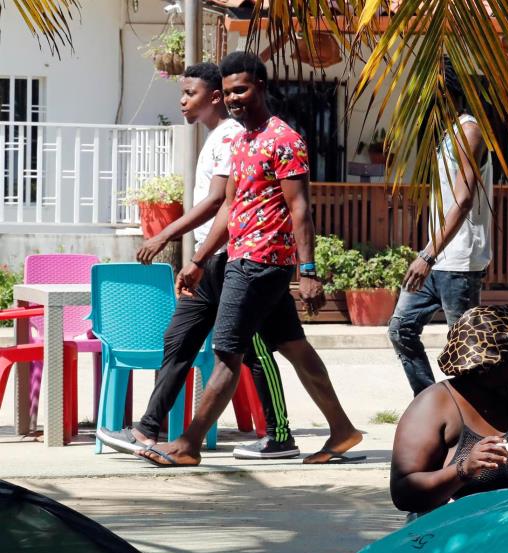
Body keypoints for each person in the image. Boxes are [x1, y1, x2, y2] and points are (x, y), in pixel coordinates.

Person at [136, 51, 362, 467]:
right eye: (228, 92)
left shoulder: (284, 139)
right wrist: (200, 258)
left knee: (227, 352)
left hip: (262, 263)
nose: (235, 98)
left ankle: (189, 444)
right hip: (239, 256)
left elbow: (300, 209)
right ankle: (342, 430)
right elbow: (229, 207)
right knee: (295, 347)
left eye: (241, 89)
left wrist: (307, 271)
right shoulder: (241, 139)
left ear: (261, 86)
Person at [96, 62, 296, 460]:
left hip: (238, 259)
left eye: (190, 94)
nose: (183, 102)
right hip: (213, 261)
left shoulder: (232, 136)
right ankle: (146, 429)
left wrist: (168, 235)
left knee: (251, 347)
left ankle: (280, 433)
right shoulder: (220, 137)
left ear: (215, 97)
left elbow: (219, 202)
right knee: (181, 337)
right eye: (182, 94)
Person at [387, 57, 493, 396]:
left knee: (466, 352)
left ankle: (476, 422)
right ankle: (430, 404)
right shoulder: (446, 133)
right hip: (438, 258)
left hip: (456, 260)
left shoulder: (468, 129)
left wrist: (427, 255)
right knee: (401, 329)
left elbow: (463, 200)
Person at [390, 306, 508, 514]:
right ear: (491, 362)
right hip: (462, 532)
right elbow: (403, 492)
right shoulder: (434, 404)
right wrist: (463, 469)